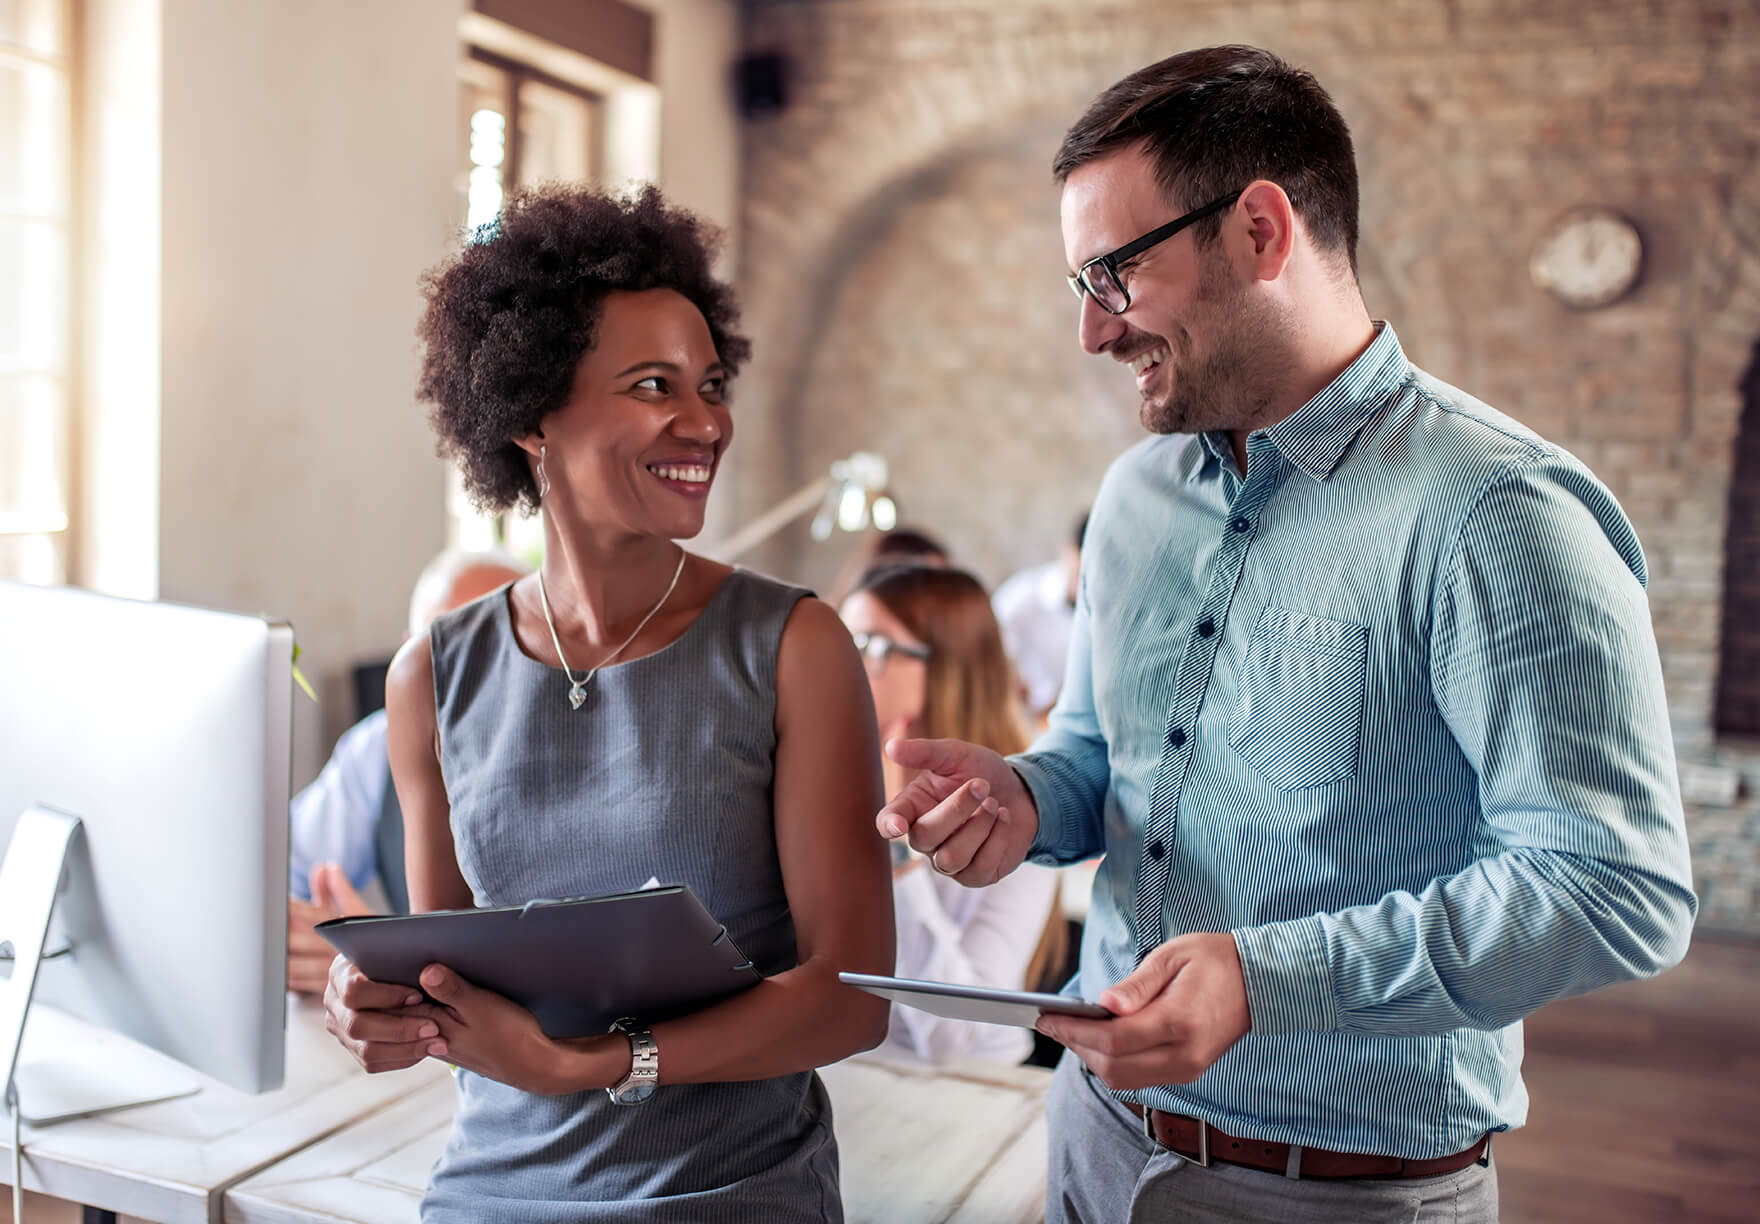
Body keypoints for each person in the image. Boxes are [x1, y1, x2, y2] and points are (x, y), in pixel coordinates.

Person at [877, 45, 1696, 1223]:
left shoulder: (1492, 513)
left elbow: (1612, 885)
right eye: (1079, 289)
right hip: (1089, 1142)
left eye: (1111, 275)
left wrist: (1269, 982)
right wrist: (1022, 800)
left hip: (1337, 1196)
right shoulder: (1132, 500)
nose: (1093, 336)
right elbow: (1102, 760)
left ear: (1260, 231)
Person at [321, 183, 893, 1222]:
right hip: (490, 1193)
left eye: (709, 383)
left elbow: (851, 1000)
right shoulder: (433, 677)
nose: (704, 420)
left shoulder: (793, 648)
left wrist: (598, 1066)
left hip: (729, 1194)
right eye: (650, 385)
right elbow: (452, 982)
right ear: (533, 414)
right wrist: (374, 1004)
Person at [839, 563, 1065, 1066]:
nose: (841, 664)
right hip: (857, 1077)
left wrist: (894, 849)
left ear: (943, 668)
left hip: (971, 1098)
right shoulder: (827, 774)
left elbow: (951, 1035)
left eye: (869, 646)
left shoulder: (1012, 809)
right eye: (842, 640)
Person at [284, 548, 527, 995]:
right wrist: (330, 949)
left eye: (499, 658)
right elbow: (282, 873)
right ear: (405, 659)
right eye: (445, 655)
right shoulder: (376, 748)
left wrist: (386, 956)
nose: (472, 688)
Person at [992, 510, 1087, 725]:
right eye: (1080, 574)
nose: (1083, 587)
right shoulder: (1019, 598)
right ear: (1068, 551)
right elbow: (991, 667)